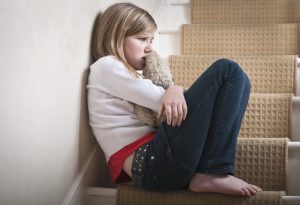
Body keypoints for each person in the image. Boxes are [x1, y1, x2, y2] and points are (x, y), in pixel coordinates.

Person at [87, 2, 262, 196]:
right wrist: (174, 89)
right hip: (153, 164)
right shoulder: (107, 66)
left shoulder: (126, 76)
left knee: (241, 80)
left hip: (161, 162)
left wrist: (175, 89)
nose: (149, 48)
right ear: (117, 37)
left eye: (152, 40)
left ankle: (209, 170)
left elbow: (184, 101)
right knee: (228, 71)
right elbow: (164, 101)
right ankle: (214, 171)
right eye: (143, 39)